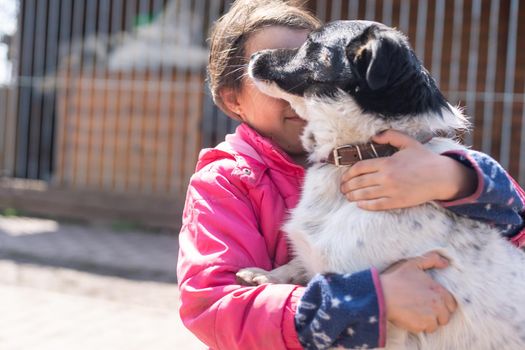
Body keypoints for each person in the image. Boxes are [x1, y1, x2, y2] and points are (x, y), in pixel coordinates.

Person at [177, 1, 525, 349]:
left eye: (311, 59)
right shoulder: (227, 181)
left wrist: (456, 179)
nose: (305, 79)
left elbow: (516, 233)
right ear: (233, 100)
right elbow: (212, 307)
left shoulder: (425, 160)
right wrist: (372, 298)